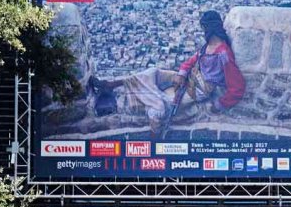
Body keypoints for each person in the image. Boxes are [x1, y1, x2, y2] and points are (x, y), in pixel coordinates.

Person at [88, 10, 247, 136]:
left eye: (204, 27)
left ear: (210, 28)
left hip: (197, 90)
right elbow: (190, 61)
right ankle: (111, 84)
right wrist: (181, 74)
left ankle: (154, 138)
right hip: (188, 78)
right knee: (152, 72)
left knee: (160, 107)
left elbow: (237, 86)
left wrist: (219, 105)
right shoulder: (207, 46)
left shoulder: (223, 53)